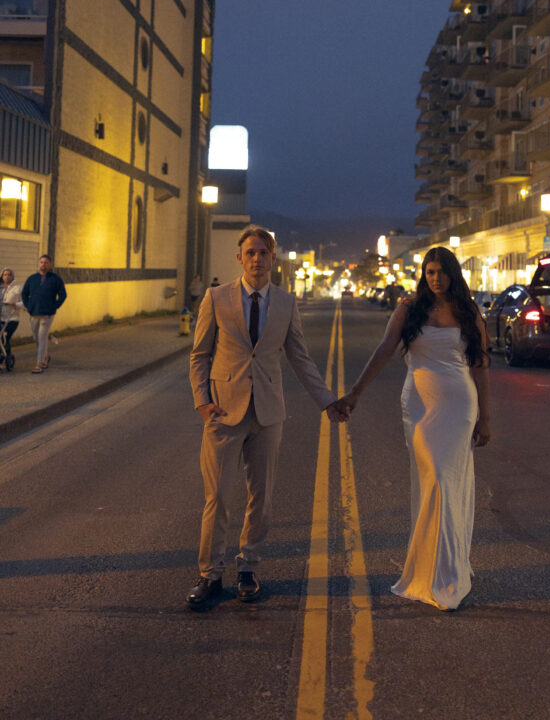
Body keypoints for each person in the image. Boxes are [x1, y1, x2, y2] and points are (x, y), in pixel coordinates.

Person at [186, 226, 348, 610]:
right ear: (239, 258)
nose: (257, 259)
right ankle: (209, 575)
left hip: (268, 413)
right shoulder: (216, 297)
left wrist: (327, 401)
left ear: (273, 258)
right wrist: (203, 402)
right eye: (250, 252)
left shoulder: (287, 304)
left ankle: (248, 569)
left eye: (264, 252)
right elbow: (199, 356)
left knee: (262, 497)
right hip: (224, 412)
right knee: (219, 498)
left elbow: (301, 359)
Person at [333, 246, 490, 611]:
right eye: (430, 271)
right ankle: (430, 568)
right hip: (419, 405)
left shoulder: (469, 312)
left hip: (460, 405)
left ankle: (447, 572)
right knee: (432, 481)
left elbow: (481, 365)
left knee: (443, 482)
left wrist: (486, 417)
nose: (436, 278)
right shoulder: (409, 308)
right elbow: (385, 349)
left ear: (453, 273)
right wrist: (356, 392)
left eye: (441, 271)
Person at [21, 254, 67, 373]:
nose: (43, 265)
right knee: (36, 337)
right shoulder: (32, 278)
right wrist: (27, 306)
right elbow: (24, 293)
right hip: (33, 312)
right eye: (41, 262)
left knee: (42, 338)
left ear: (50, 264)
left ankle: (39, 364)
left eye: (46, 263)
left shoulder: (55, 279)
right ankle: (45, 356)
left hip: (47, 314)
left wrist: (54, 307)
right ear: (38, 264)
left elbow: (63, 295)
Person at [0, 267, 23, 360]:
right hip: (1, 318)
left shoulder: (17, 288)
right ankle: (6, 355)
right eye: (5, 274)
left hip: (12, 319)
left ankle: (4, 358)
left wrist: (15, 304)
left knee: (4, 337)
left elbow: (24, 302)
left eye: (9, 274)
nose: (7, 277)